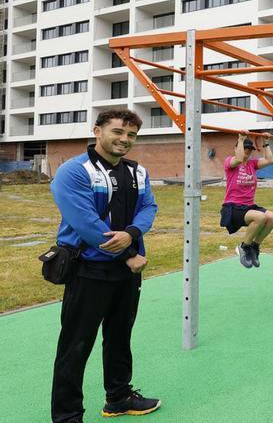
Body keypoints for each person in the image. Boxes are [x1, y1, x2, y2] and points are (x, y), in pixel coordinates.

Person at [49, 109, 160, 422]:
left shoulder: (138, 172)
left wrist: (132, 234)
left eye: (131, 135)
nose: (125, 140)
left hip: (126, 273)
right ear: (97, 131)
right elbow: (85, 222)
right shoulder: (74, 171)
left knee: (120, 337)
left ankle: (119, 398)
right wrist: (127, 252)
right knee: (75, 346)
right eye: (117, 132)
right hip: (88, 270)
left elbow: (149, 206)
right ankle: (67, 415)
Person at [221, 133, 273, 268]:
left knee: (272, 217)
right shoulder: (230, 163)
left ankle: (254, 247)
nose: (247, 151)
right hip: (232, 207)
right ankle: (243, 247)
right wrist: (241, 139)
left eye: (249, 149)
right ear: (236, 148)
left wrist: (266, 142)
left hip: (249, 207)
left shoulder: (252, 164)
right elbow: (239, 158)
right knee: (260, 217)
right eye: (244, 148)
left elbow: (270, 160)